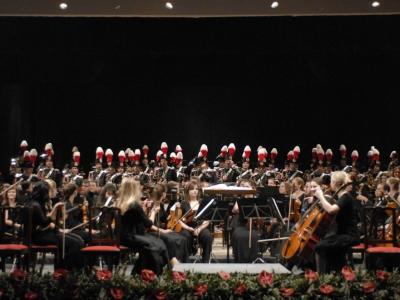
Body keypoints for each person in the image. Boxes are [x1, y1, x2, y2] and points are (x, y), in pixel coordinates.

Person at [26, 181, 84, 270]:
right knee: (75, 243)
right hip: (39, 237)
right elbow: (44, 223)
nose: (50, 193)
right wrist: (54, 209)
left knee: (79, 240)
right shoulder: (35, 205)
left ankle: (65, 268)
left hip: (44, 234)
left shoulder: (36, 203)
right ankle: (68, 270)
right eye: (49, 191)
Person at [116, 178, 169, 275]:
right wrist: (153, 211)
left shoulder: (119, 203)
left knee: (156, 242)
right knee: (156, 244)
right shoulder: (134, 205)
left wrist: (143, 208)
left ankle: (138, 271)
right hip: (130, 237)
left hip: (121, 237)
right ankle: (156, 272)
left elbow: (136, 220)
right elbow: (148, 224)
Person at [312, 171, 360, 274]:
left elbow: (331, 210)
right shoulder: (342, 196)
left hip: (349, 235)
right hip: (342, 234)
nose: (330, 184)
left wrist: (320, 196)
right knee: (330, 250)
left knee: (319, 247)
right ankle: (337, 275)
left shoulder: (345, 196)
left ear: (337, 184)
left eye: (332, 182)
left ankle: (321, 278)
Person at [176, 182, 213, 263]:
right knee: (184, 235)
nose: (194, 191)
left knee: (207, 235)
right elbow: (178, 220)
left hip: (201, 227)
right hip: (187, 227)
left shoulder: (203, 203)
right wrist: (188, 228)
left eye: (196, 189)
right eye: (192, 189)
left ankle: (206, 260)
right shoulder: (183, 203)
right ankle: (186, 260)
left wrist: (199, 229)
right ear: (188, 191)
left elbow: (207, 220)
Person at [230, 179, 259, 263]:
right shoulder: (240, 199)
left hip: (254, 225)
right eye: (243, 187)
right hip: (241, 224)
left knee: (253, 236)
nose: (244, 188)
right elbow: (234, 210)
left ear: (252, 188)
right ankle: (240, 259)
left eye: (246, 187)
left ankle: (252, 258)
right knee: (239, 235)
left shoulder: (257, 199)